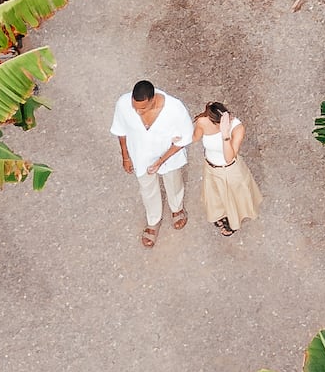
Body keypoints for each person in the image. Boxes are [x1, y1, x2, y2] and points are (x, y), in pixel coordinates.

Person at [111, 80, 192, 248]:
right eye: (135, 108)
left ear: (153, 100)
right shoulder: (123, 104)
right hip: (140, 156)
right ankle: (153, 220)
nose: (138, 112)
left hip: (169, 157)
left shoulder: (175, 108)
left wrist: (160, 161)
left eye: (143, 108)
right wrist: (125, 156)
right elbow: (121, 131)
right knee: (147, 189)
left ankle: (177, 208)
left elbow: (185, 138)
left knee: (173, 181)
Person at [193, 102, 262, 236]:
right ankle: (221, 215)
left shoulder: (237, 128)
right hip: (210, 167)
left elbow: (229, 157)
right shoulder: (203, 121)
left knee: (232, 199)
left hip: (229, 170)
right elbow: (195, 138)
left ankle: (232, 222)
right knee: (215, 196)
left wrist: (225, 135)